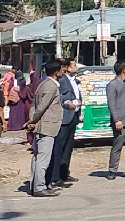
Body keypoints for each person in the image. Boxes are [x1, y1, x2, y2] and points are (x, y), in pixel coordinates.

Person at [26, 60, 64, 197]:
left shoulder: (43, 84)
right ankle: (39, 187)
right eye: (61, 69)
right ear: (56, 71)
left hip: (41, 125)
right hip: (47, 126)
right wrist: (32, 120)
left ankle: (35, 185)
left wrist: (32, 121)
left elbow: (34, 105)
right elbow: (41, 106)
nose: (63, 71)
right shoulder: (50, 86)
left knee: (37, 157)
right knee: (43, 158)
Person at [49, 58, 81, 189]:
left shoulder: (75, 80)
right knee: (59, 148)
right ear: (66, 67)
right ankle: (55, 177)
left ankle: (64, 172)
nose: (76, 67)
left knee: (68, 147)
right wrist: (67, 102)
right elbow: (57, 96)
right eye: (73, 65)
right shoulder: (60, 80)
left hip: (73, 116)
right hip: (64, 117)